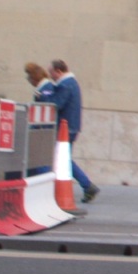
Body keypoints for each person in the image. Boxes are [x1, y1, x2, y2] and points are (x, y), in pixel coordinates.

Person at [47, 59, 98, 203]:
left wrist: (44, 96)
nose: (51, 76)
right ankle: (87, 186)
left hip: (65, 128)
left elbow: (56, 104)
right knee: (63, 159)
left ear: (58, 71)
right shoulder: (71, 83)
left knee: (63, 160)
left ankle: (87, 185)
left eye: (51, 73)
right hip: (71, 127)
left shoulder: (65, 85)